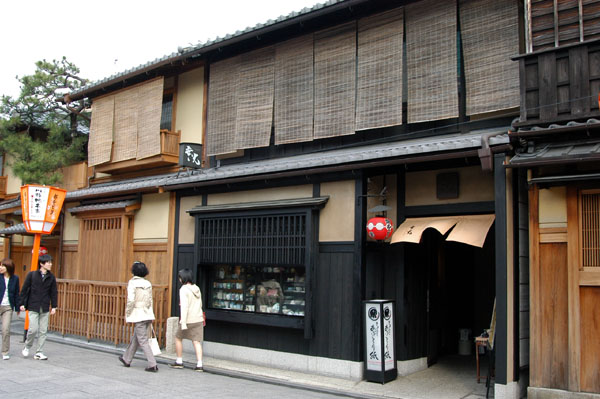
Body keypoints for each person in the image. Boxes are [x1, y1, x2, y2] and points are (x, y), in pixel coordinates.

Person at [119, 261, 158, 372]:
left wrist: (128, 313)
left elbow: (131, 300)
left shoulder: (132, 283)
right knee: (137, 337)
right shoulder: (148, 283)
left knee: (142, 340)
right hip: (147, 313)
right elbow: (150, 300)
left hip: (138, 313)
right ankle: (127, 359)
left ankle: (152, 364)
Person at [18, 253, 58, 360]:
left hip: (45, 306)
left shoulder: (51, 277)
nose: (50, 264)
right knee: (33, 329)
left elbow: (54, 292)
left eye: (51, 262)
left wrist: (54, 306)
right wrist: (21, 303)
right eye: (48, 262)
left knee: (43, 330)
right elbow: (24, 289)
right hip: (33, 305)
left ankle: (39, 352)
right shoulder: (32, 275)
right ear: (41, 264)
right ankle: (27, 346)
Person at [169, 268, 205, 371]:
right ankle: (199, 364)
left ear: (182, 278)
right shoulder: (196, 288)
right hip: (198, 318)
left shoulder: (183, 289)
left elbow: (184, 307)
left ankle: (179, 361)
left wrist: (183, 322)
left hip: (188, 319)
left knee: (178, 338)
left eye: (180, 277)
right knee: (196, 341)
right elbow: (200, 304)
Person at [0, 258, 20, 360]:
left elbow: (16, 293)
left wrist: (17, 307)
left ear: (8, 267)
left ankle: (5, 351)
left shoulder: (15, 279)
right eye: (0, 265)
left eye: (3, 266)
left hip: (8, 307)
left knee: (6, 330)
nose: (1, 267)